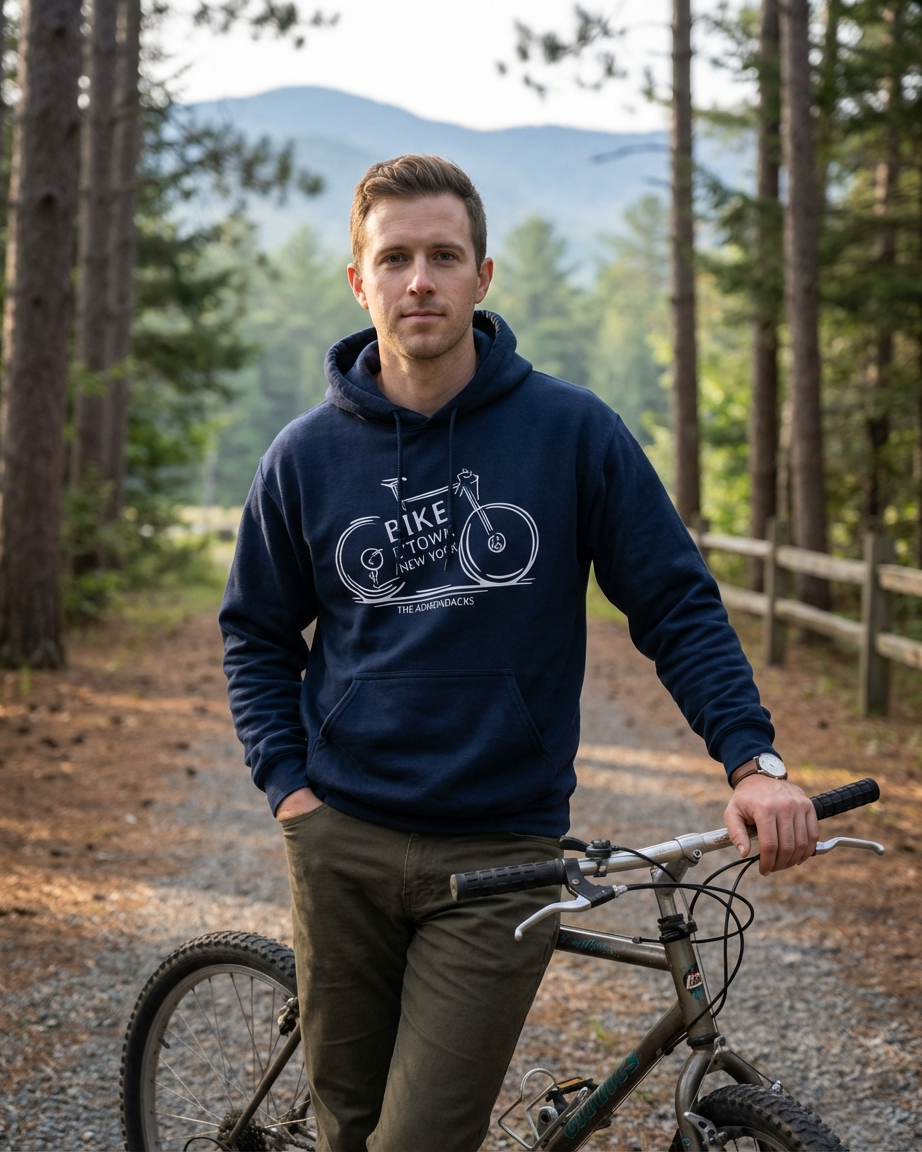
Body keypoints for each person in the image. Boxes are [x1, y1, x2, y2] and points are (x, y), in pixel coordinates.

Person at [219, 154, 819, 1152]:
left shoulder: (571, 433)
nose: (421, 279)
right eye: (397, 257)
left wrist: (753, 762)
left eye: (444, 256)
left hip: (500, 853)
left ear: (481, 276)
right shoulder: (304, 456)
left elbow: (674, 604)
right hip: (341, 844)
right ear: (359, 280)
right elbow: (256, 634)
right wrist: (291, 793)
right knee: (346, 1130)